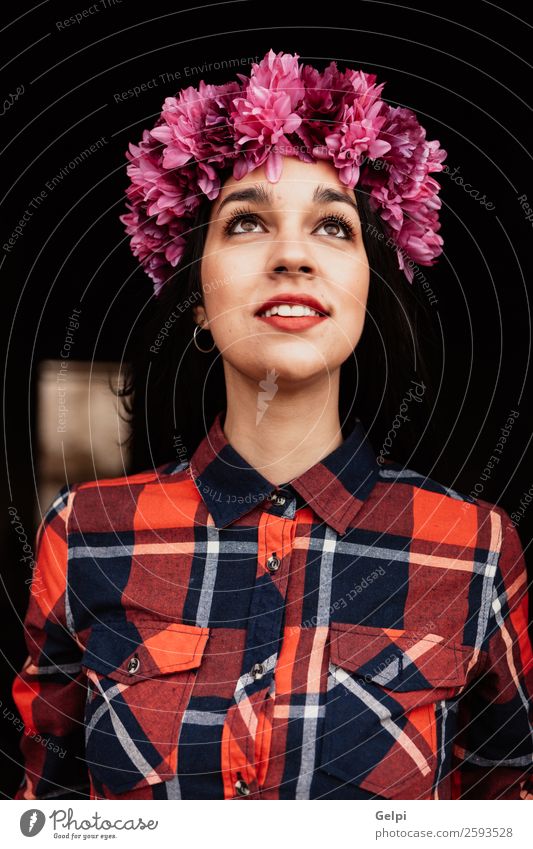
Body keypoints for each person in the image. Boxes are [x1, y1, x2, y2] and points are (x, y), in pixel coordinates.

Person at [12, 49, 533, 801]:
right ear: (195, 293)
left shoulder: (476, 549)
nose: (291, 255)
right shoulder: (86, 533)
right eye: (248, 221)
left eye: (332, 227)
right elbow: (44, 810)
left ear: (367, 290)